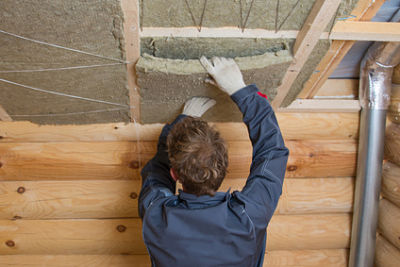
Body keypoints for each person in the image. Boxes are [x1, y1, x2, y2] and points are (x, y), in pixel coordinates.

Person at [139, 56, 289, 267]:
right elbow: (272, 151)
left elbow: (156, 174)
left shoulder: (156, 214)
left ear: (175, 175)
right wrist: (240, 90)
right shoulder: (248, 217)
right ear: (224, 168)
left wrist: (182, 121)